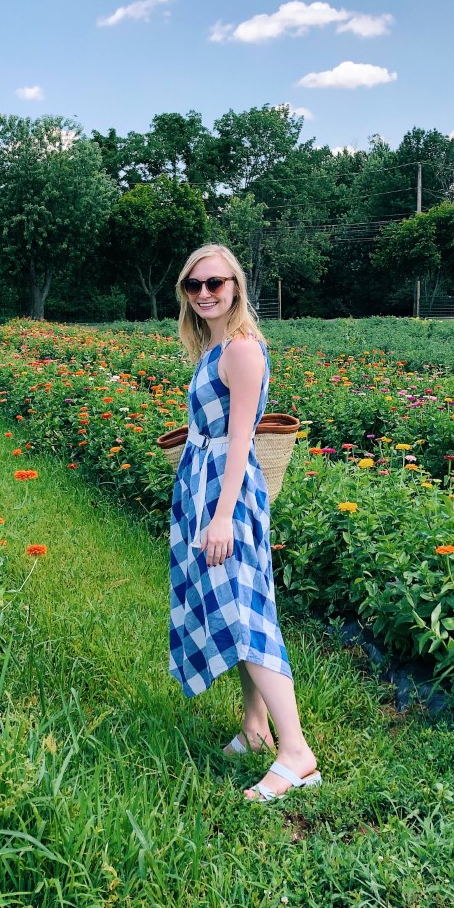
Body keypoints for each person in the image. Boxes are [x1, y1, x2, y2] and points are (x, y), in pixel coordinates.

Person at [169, 243, 319, 801]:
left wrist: (223, 515)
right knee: (237, 612)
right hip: (205, 487)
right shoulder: (216, 349)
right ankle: (256, 729)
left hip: (225, 494)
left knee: (246, 615)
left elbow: (240, 441)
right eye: (194, 286)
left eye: (216, 283)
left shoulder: (242, 351)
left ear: (236, 286)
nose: (205, 293)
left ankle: (296, 752)